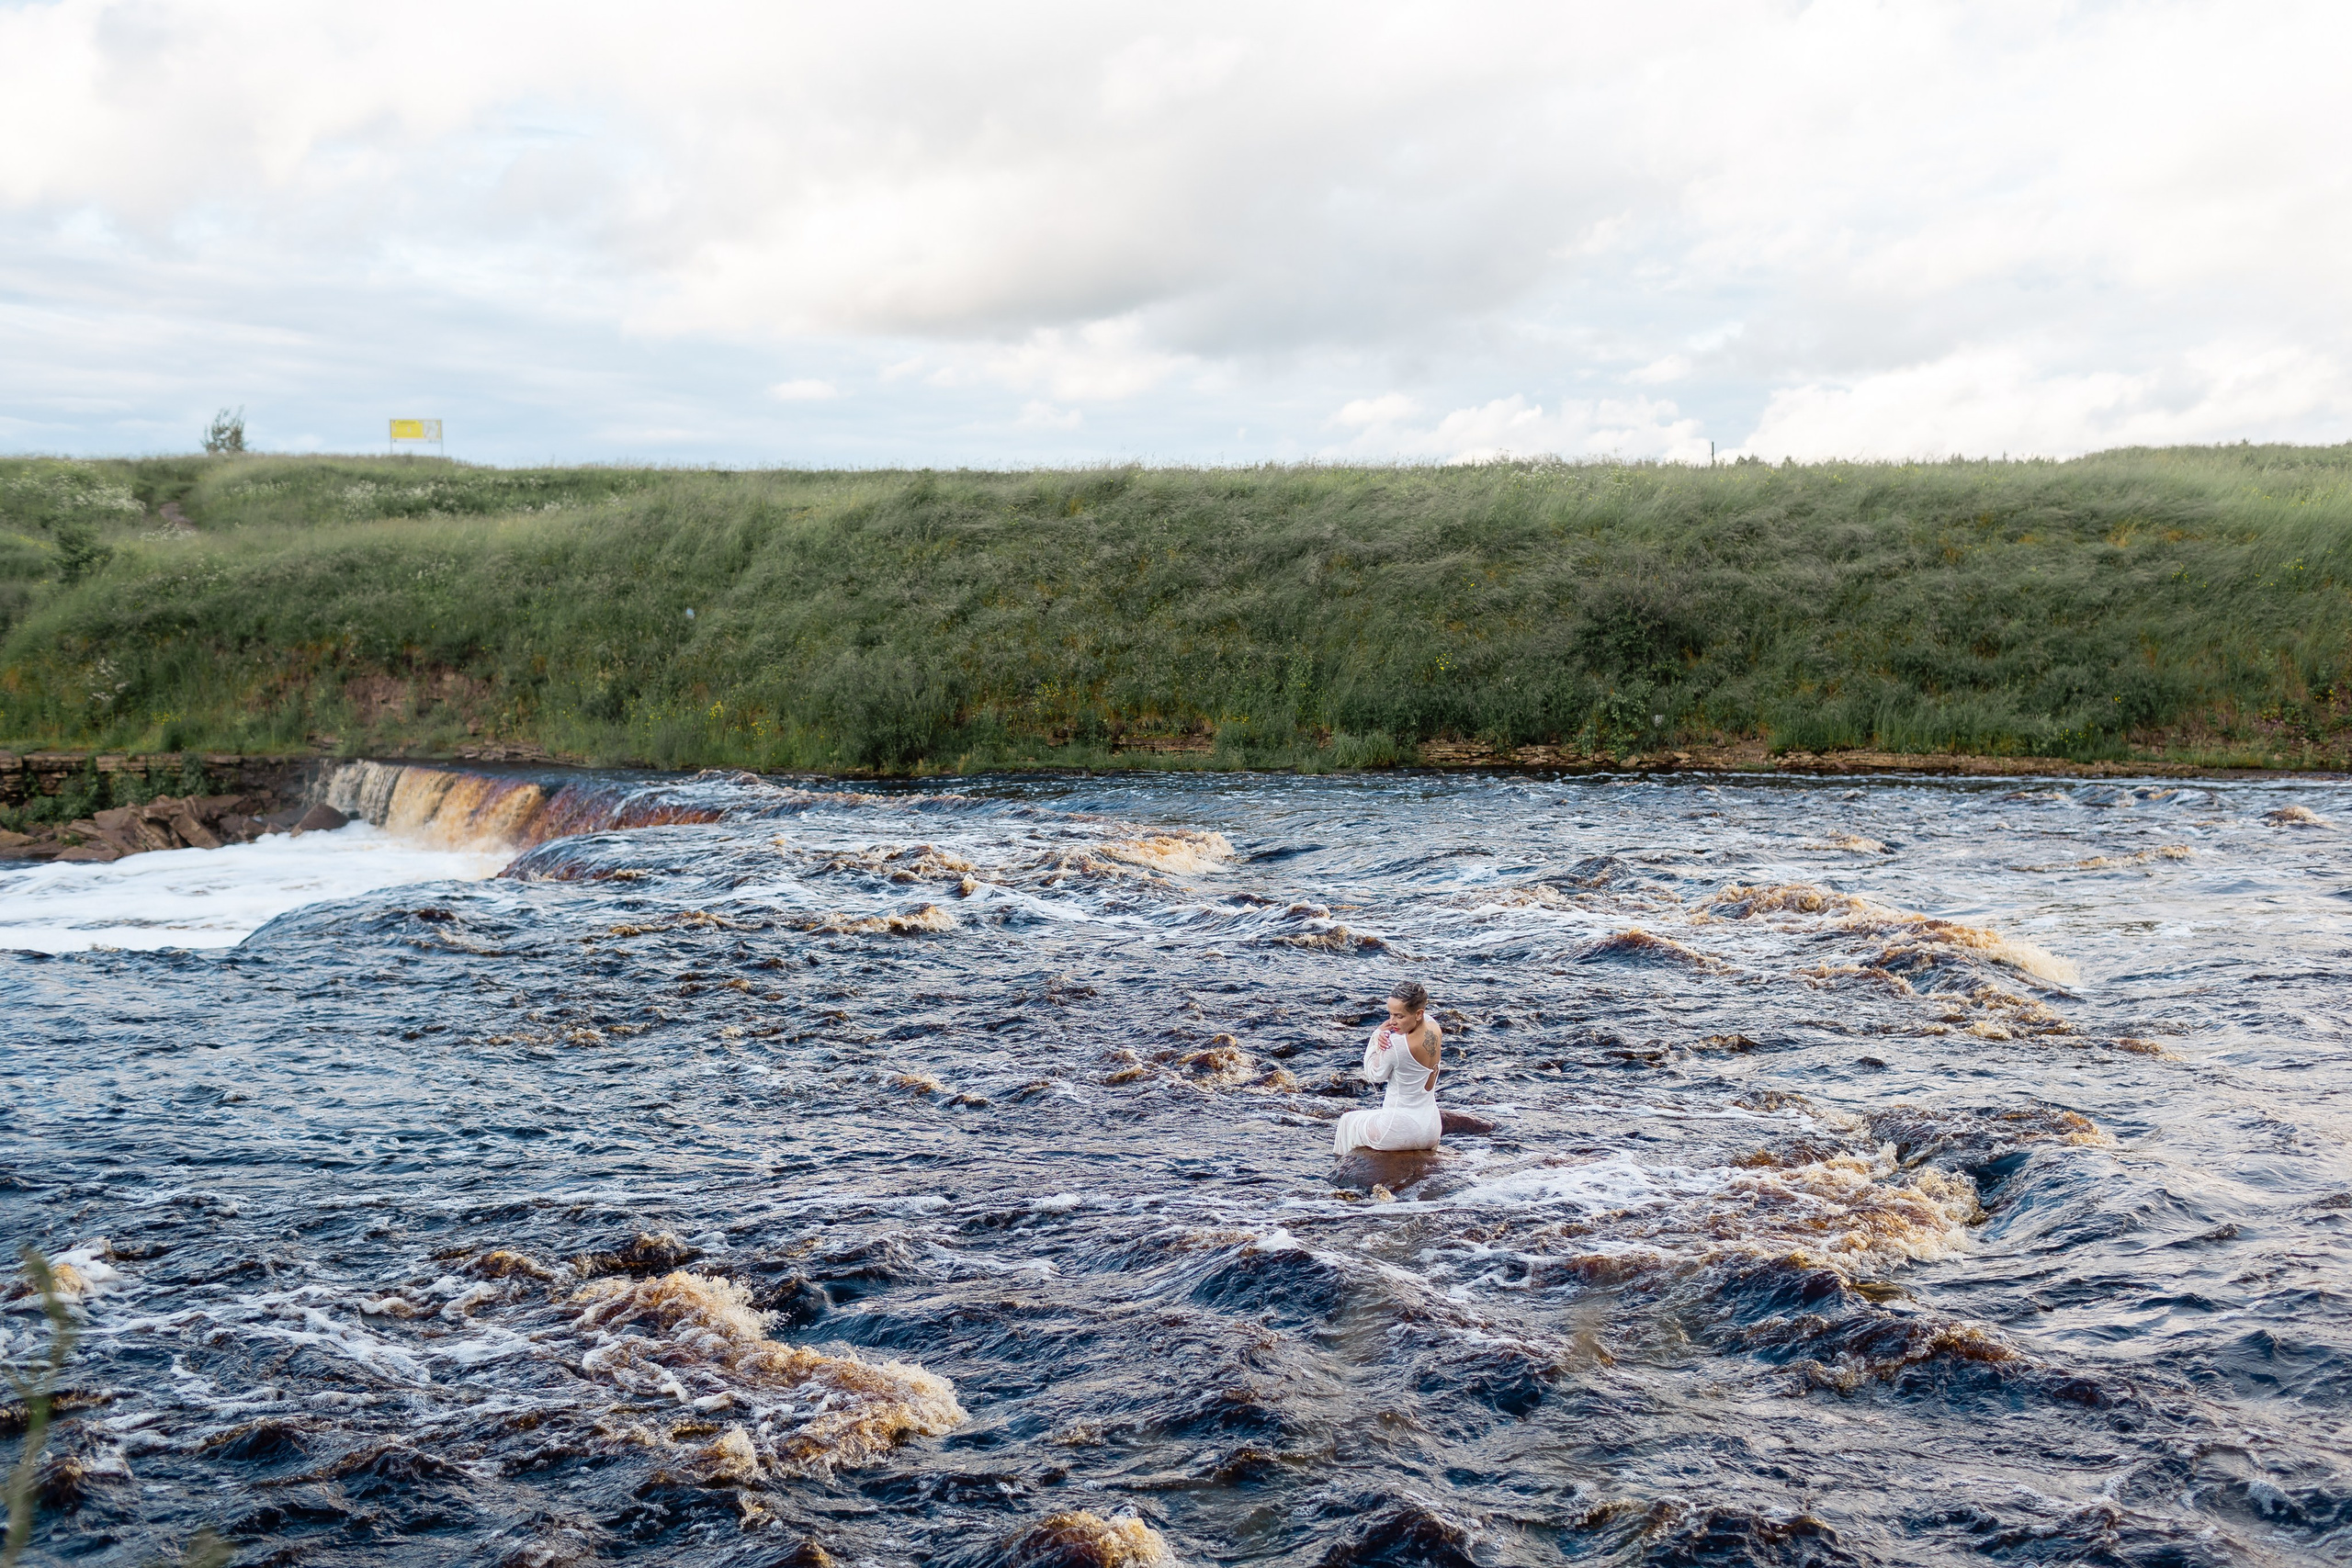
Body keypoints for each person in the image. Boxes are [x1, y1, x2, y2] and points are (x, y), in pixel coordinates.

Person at [1333, 980, 1443, 1156]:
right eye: (1390, 1014)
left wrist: (1376, 1036)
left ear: (1418, 1014)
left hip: (1399, 1130)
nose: (1392, 1022)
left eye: (1399, 1016)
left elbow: (1374, 1074)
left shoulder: (1397, 1045)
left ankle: (1341, 1172)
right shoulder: (1434, 1026)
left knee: (1347, 1121)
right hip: (1431, 1128)